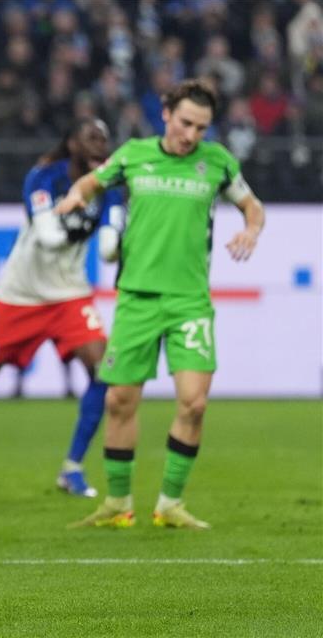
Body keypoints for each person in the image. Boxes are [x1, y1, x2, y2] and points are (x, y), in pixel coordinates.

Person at [57, 79, 265, 530]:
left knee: (194, 404)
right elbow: (93, 181)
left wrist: (251, 229)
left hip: (190, 302)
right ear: (167, 113)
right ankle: (117, 503)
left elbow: (253, 206)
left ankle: (170, 503)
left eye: (202, 128)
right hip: (136, 298)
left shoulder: (218, 162)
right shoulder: (134, 154)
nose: (192, 135)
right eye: (186, 122)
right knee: (119, 400)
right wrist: (77, 195)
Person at [0, 118, 125, 500]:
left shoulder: (109, 186)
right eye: (92, 138)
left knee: (104, 373)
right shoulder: (43, 176)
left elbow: (108, 246)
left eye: (105, 138)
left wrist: (116, 233)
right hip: (21, 294)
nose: (101, 145)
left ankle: (73, 468)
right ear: (71, 143)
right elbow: (48, 238)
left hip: (70, 293)